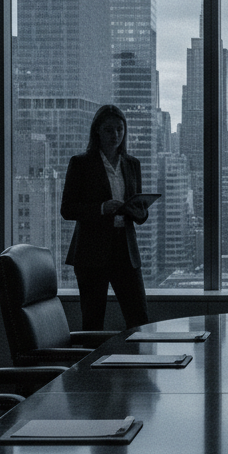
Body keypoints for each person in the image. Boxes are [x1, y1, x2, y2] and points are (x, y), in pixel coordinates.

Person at [61, 104, 151, 330]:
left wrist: (140, 212)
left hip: (125, 250)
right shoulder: (81, 163)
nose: (116, 135)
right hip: (92, 253)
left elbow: (139, 211)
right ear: (97, 131)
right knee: (92, 323)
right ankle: (90, 366)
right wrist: (102, 208)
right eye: (109, 130)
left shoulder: (132, 164)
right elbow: (67, 209)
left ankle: (140, 366)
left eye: (120, 129)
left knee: (139, 319)